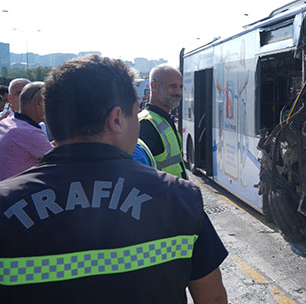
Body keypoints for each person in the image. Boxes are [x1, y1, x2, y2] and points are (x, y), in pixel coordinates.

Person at [0, 55, 228, 303]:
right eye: (135, 113)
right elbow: (212, 297)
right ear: (117, 119)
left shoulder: (5, 203)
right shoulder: (181, 198)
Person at [138, 64, 189, 179]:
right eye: (173, 86)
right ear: (154, 86)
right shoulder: (145, 124)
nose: (179, 92)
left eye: (181, 87)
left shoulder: (164, 119)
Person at [0, 82, 54, 180]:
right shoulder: (31, 133)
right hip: (15, 192)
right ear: (38, 103)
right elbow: (60, 160)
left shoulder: (6, 123)